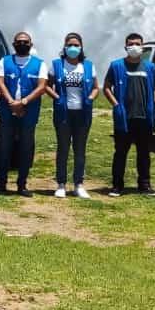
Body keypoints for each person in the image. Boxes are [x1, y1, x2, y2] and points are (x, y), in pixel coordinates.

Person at [103, 33, 155, 197]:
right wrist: (115, 104)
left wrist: (153, 102)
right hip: (124, 118)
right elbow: (106, 87)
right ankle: (117, 186)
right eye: (131, 44)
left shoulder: (149, 67)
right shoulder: (116, 66)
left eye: (137, 43)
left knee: (144, 153)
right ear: (125, 47)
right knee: (120, 152)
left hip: (144, 117)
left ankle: (144, 185)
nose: (134, 46)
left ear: (142, 47)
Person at [45, 32, 99, 199]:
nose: (73, 48)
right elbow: (46, 85)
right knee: (63, 148)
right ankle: (61, 184)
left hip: (82, 113)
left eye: (76, 45)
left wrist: (90, 97)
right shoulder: (57, 64)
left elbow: (97, 87)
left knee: (80, 149)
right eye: (70, 45)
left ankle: (79, 184)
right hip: (63, 113)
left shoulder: (88, 66)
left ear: (81, 47)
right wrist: (57, 98)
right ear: (65, 47)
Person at [0, 31, 47, 197]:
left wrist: (23, 102)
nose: (22, 44)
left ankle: (22, 184)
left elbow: (41, 87)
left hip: (29, 111)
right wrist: (12, 102)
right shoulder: (5, 61)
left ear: (31, 45)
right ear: (14, 44)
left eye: (25, 42)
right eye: (19, 41)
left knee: (25, 148)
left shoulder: (40, 64)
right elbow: (0, 82)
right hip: (7, 110)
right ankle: (0, 183)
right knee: (5, 147)